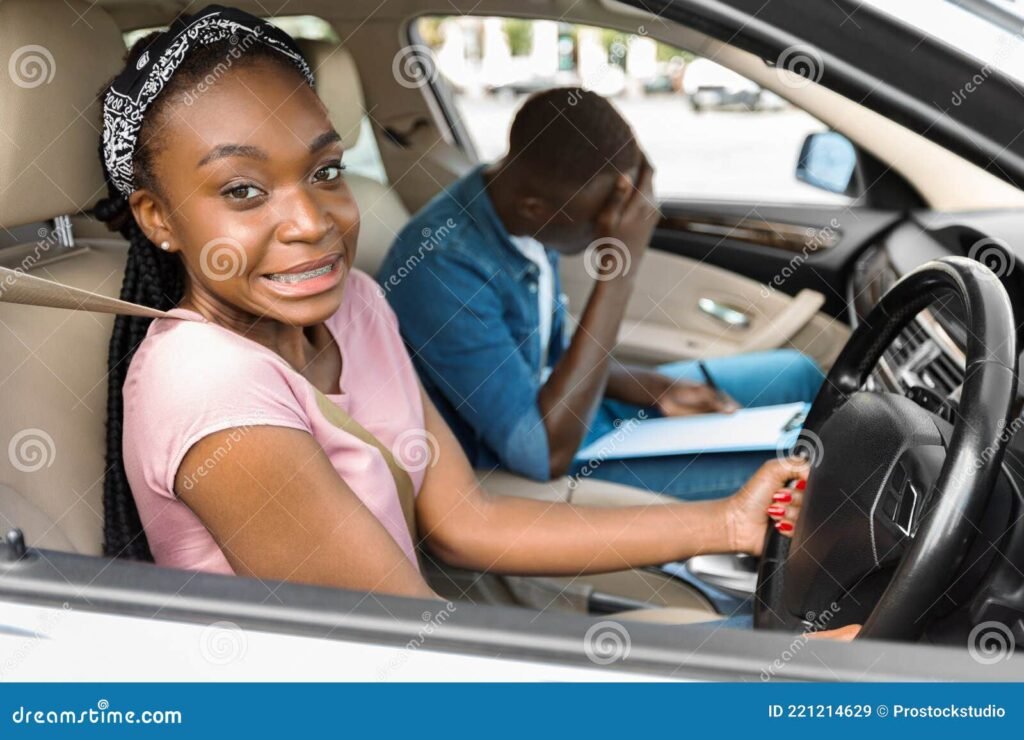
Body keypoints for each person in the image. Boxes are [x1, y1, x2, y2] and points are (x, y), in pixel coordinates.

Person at [95, 5, 856, 638]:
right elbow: (406, 653)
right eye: (242, 190)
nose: (310, 222)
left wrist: (727, 523)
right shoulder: (206, 383)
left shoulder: (353, 305)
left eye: (325, 171)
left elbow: (468, 521)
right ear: (158, 218)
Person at [378, 89, 824, 501]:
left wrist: (651, 387)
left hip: (572, 410)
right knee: (802, 466)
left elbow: (542, 361)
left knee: (799, 375)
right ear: (536, 207)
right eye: (604, 217)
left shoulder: (521, 208)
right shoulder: (444, 267)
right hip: (531, 464)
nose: (617, 223)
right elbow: (542, 454)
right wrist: (619, 268)